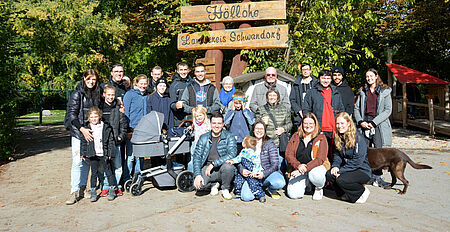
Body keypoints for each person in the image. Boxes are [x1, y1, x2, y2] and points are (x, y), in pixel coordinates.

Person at [65, 69, 101, 205]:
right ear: (84, 79)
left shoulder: (97, 93)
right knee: (77, 162)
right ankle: (74, 191)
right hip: (78, 132)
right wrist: (82, 129)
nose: (91, 82)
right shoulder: (77, 94)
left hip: (91, 132)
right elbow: (72, 115)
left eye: (94, 79)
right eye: (89, 79)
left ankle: (83, 187)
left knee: (87, 161)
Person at [354, 68, 392, 187]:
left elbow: (387, 110)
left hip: (378, 124)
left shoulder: (385, 91)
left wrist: (374, 123)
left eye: (371, 76)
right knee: (363, 151)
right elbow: (356, 108)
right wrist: (360, 121)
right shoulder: (363, 91)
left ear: (376, 76)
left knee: (378, 151)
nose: (369, 78)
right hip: (364, 123)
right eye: (367, 76)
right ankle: (366, 175)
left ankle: (378, 177)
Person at [326, 112, 372, 203]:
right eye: (338, 123)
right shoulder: (338, 137)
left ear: (348, 123)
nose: (339, 126)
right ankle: (344, 193)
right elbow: (337, 155)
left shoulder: (358, 138)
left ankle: (361, 191)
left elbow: (357, 161)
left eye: (342, 123)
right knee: (330, 174)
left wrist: (341, 171)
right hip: (347, 168)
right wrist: (335, 166)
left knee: (341, 180)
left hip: (361, 170)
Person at [285, 113, 330, 200]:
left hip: (315, 167)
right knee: (293, 194)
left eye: (311, 123)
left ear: (315, 124)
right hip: (299, 168)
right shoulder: (296, 136)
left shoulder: (321, 137)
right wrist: (298, 166)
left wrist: (304, 169)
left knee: (316, 175)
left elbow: (320, 159)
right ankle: (307, 183)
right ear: (302, 124)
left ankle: (318, 188)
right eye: (305, 123)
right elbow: (288, 154)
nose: (308, 126)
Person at [193, 112, 237, 200]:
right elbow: (197, 157)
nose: (216, 126)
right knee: (199, 185)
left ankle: (225, 188)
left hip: (223, 167)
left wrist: (213, 164)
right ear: (210, 124)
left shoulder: (229, 136)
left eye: (219, 123)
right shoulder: (203, 137)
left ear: (223, 124)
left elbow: (232, 154)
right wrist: (197, 175)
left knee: (229, 167)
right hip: (208, 169)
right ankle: (214, 184)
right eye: (214, 123)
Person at [303, 69, 345, 160]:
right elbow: (306, 110)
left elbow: (341, 109)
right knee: (319, 155)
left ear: (331, 80)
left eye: (328, 78)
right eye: (323, 78)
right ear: (319, 79)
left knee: (334, 155)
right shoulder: (312, 92)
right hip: (319, 129)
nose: (325, 80)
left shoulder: (336, 92)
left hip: (334, 129)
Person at [238, 121, 286, 201]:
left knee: (279, 182)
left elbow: (275, 164)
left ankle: (270, 188)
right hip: (251, 175)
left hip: (266, 173)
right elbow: (240, 159)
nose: (259, 131)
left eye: (261, 129)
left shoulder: (270, 144)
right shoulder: (248, 142)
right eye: (257, 128)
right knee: (246, 197)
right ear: (253, 130)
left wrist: (264, 173)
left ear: (265, 131)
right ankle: (258, 187)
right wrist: (242, 170)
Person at [81, 107, 117, 202]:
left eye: (95, 117)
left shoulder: (105, 127)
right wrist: (83, 153)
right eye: (91, 117)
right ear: (89, 118)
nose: (94, 119)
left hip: (103, 153)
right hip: (93, 154)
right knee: (94, 173)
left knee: (108, 171)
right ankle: (93, 192)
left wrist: (110, 153)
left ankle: (112, 189)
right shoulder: (87, 128)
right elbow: (83, 141)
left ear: (99, 116)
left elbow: (110, 141)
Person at [99, 85, 127, 197]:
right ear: (104, 94)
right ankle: (106, 186)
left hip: (115, 141)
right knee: (105, 166)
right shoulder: (100, 109)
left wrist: (120, 136)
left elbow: (123, 125)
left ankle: (116, 186)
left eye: (112, 95)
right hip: (103, 142)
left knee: (118, 165)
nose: (111, 97)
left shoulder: (117, 109)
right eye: (108, 95)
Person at [122, 75, 149, 182]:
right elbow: (126, 112)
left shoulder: (147, 96)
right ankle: (127, 178)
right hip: (132, 129)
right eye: (141, 83)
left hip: (143, 130)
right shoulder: (130, 95)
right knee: (131, 156)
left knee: (141, 155)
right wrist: (128, 130)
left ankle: (138, 176)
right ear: (136, 83)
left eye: (145, 84)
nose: (143, 86)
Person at [227, 136, 266, 203]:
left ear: (244, 144)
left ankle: (260, 195)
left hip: (251, 172)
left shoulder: (252, 154)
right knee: (238, 181)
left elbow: (257, 163)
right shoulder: (243, 151)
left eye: (243, 141)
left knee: (254, 184)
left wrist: (254, 172)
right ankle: (238, 193)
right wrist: (232, 161)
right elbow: (238, 158)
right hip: (243, 172)